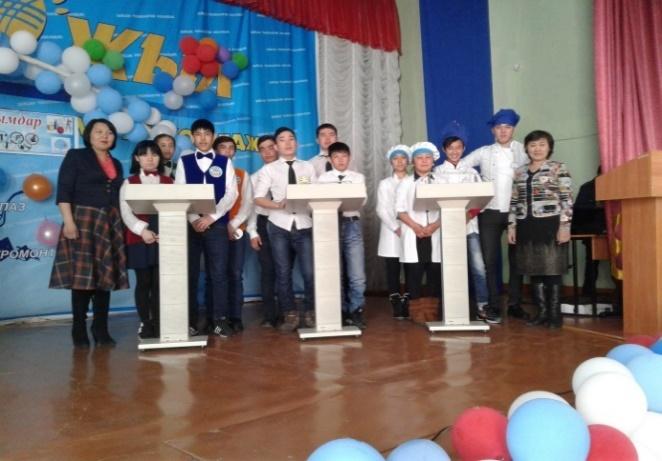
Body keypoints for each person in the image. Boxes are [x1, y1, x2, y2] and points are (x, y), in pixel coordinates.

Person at [49, 119, 129, 347]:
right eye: (99, 132)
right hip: (82, 220)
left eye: (109, 132)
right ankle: (79, 327)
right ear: (89, 136)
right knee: (82, 278)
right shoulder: (76, 156)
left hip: (110, 222)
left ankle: (100, 327)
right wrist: (69, 222)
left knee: (105, 276)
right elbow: (64, 191)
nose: (105, 136)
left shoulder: (116, 163)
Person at [459, 108, 529, 324]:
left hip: (516, 212)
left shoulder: (523, 151)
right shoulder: (484, 152)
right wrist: (476, 183)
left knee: (517, 260)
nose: (503, 131)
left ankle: (515, 304)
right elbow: (461, 166)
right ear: (493, 130)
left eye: (507, 127)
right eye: (499, 127)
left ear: (513, 129)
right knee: (489, 260)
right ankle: (493, 305)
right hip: (489, 211)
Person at [175, 119, 237, 338]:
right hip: (191, 226)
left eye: (207, 134)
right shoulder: (184, 162)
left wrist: (212, 217)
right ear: (192, 137)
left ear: (213, 136)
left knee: (218, 274)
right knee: (190, 274)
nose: (202, 138)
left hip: (217, 225)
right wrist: (193, 218)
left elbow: (231, 194)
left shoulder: (224, 161)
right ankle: (190, 321)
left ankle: (218, 321)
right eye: (198, 134)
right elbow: (179, 192)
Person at [507, 130, 573, 329]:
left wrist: (565, 226)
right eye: (533, 145)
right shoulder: (520, 172)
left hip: (550, 224)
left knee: (552, 269)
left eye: (542, 144)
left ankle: (555, 315)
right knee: (533, 269)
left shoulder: (558, 168)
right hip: (526, 225)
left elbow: (567, 199)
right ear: (526, 148)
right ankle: (542, 313)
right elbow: (514, 200)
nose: (537, 149)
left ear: (549, 147)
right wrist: (512, 226)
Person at [254, 127, 316, 332]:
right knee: (282, 272)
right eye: (282, 140)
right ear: (276, 146)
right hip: (279, 224)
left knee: (309, 272)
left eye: (291, 139)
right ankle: (289, 313)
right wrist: (277, 205)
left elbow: (316, 194)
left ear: (297, 143)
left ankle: (311, 311)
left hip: (304, 224)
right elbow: (258, 198)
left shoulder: (307, 167)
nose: (288, 143)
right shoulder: (269, 170)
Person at [433, 122, 489, 318]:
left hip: (469, 226)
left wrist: (467, 216)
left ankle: (482, 304)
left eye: (458, 147)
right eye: (450, 148)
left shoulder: (471, 173)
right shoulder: (437, 173)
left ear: (464, 148)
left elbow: (481, 199)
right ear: (444, 150)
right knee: (450, 268)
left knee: (478, 267)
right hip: (447, 228)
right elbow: (434, 201)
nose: (454, 151)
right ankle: (451, 305)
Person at [119, 140, 172, 339]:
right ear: (137, 158)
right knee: (144, 282)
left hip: (164, 237)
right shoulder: (129, 182)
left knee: (160, 283)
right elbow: (126, 213)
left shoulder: (169, 182)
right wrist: (143, 231)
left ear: (160, 158)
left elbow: (175, 209)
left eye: (154, 154)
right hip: (139, 238)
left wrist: (166, 231)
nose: (150, 158)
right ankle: (146, 323)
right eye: (145, 154)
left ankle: (159, 322)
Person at [317, 142, 367, 328]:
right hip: (329, 225)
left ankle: (356, 310)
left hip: (351, 224)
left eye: (344, 156)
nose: (340, 160)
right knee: (333, 271)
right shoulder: (322, 179)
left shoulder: (357, 177)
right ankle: (339, 310)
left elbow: (362, 200)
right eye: (336, 157)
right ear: (330, 159)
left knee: (357, 273)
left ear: (349, 158)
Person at [396, 141, 442, 324]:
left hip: (434, 233)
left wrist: (434, 226)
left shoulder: (441, 182)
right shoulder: (405, 183)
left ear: (433, 160)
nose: (424, 161)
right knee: (414, 275)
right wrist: (416, 227)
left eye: (427, 157)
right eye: (419, 158)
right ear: (413, 161)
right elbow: (400, 211)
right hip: (413, 233)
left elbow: (448, 208)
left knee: (434, 274)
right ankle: (416, 313)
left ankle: (432, 312)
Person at [213, 135, 253, 332]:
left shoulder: (242, 174)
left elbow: (247, 203)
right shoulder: (209, 173)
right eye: (223, 147)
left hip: (237, 230)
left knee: (235, 273)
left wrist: (234, 224)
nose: (227, 151)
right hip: (214, 230)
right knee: (216, 274)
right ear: (215, 151)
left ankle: (235, 316)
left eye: (231, 148)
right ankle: (217, 317)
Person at [246, 134, 280, 327]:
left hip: (286, 222)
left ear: (277, 147)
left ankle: (288, 312)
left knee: (285, 269)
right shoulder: (254, 178)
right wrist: (253, 232)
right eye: (262, 149)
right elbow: (251, 208)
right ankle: (269, 315)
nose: (267, 152)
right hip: (263, 223)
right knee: (268, 270)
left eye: (270, 147)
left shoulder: (289, 172)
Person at [377, 144, 412, 319]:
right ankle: (396, 303)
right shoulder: (385, 184)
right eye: (395, 158)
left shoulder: (414, 181)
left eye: (403, 158)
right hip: (391, 232)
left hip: (411, 229)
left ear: (408, 161)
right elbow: (381, 209)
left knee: (411, 268)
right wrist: (396, 227)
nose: (399, 161)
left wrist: (409, 226)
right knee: (393, 269)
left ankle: (409, 302)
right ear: (391, 162)